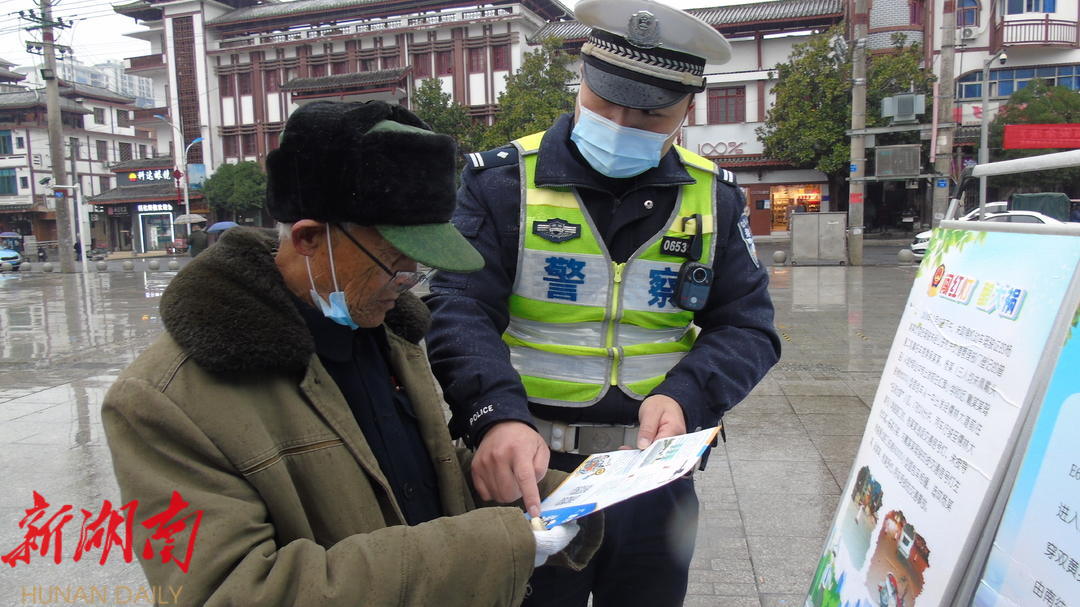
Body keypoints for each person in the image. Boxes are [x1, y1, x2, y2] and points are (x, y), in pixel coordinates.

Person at [102, 100, 598, 607]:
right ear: (309, 238)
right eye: (394, 263)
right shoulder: (163, 402)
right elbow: (229, 592)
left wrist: (546, 492)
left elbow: (411, 485)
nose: (408, 284)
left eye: (420, 267)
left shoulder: (385, 335)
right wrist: (500, 544)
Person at [425, 0, 781, 604]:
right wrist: (495, 413)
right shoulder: (502, 182)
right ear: (582, 78)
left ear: (686, 109)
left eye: (649, 112)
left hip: (653, 479)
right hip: (533, 473)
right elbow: (458, 305)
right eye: (605, 98)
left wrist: (686, 395)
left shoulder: (713, 198)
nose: (620, 121)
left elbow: (749, 326)